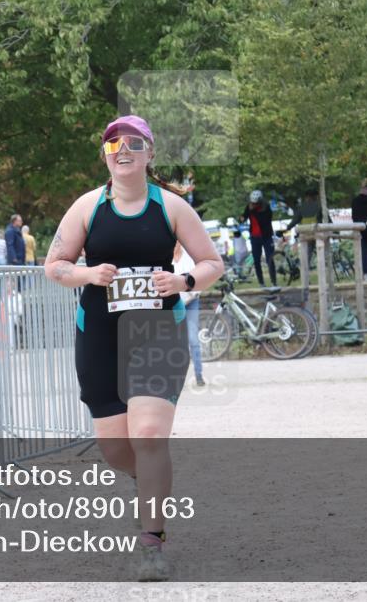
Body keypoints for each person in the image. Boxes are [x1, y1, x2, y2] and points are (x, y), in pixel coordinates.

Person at [43, 115, 223, 581]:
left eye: (133, 142)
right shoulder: (87, 207)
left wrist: (181, 280)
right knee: (116, 448)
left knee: (148, 435)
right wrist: (88, 274)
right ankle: (150, 487)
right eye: (112, 143)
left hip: (156, 330)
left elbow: (211, 263)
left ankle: (151, 544)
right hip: (99, 333)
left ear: (149, 153)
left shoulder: (172, 207)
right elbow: (55, 265)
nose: (122, 149)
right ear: (105, 155)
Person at [172, 241, 204, 387]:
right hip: (174, 304)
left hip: (191, 302)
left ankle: (199, 375)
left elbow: (197, 281)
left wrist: (188, 297)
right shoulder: (165, 258)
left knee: (193, 339)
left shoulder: (189, 257)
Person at [240, 190, 277, 287]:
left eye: (255, 203)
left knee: (270, 259)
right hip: (254, 237)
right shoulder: (250, 207)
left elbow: (264, 219)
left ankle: (274, 281)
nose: (253, 204)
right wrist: (242, 218)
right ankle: (261, 282)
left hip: (266, 236)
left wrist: (253, 210)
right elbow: (245, 215)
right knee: (256, 260)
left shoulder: (266, 208)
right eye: (252, 203)